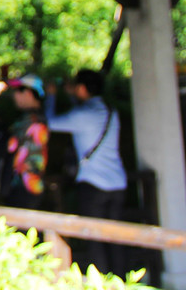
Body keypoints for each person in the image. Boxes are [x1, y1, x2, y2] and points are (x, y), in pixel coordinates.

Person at [47, 68, 127, 275]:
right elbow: (82, 119)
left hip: (93, 185)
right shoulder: (110, 111)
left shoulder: (81, 114)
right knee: (116, 238)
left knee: (95, 239)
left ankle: (100, 284)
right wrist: (72, 96)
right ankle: (122, 284)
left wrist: (52, 96)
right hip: (118, 184)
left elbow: (50, 122)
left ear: (82, 88)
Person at [2, 74, 49, 209]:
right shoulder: (40, 117)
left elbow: (10, 147)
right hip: (34, 185)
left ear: (28, 93)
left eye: (16, 91)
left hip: (23, 188)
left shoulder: (28, 121)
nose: (14, 96)